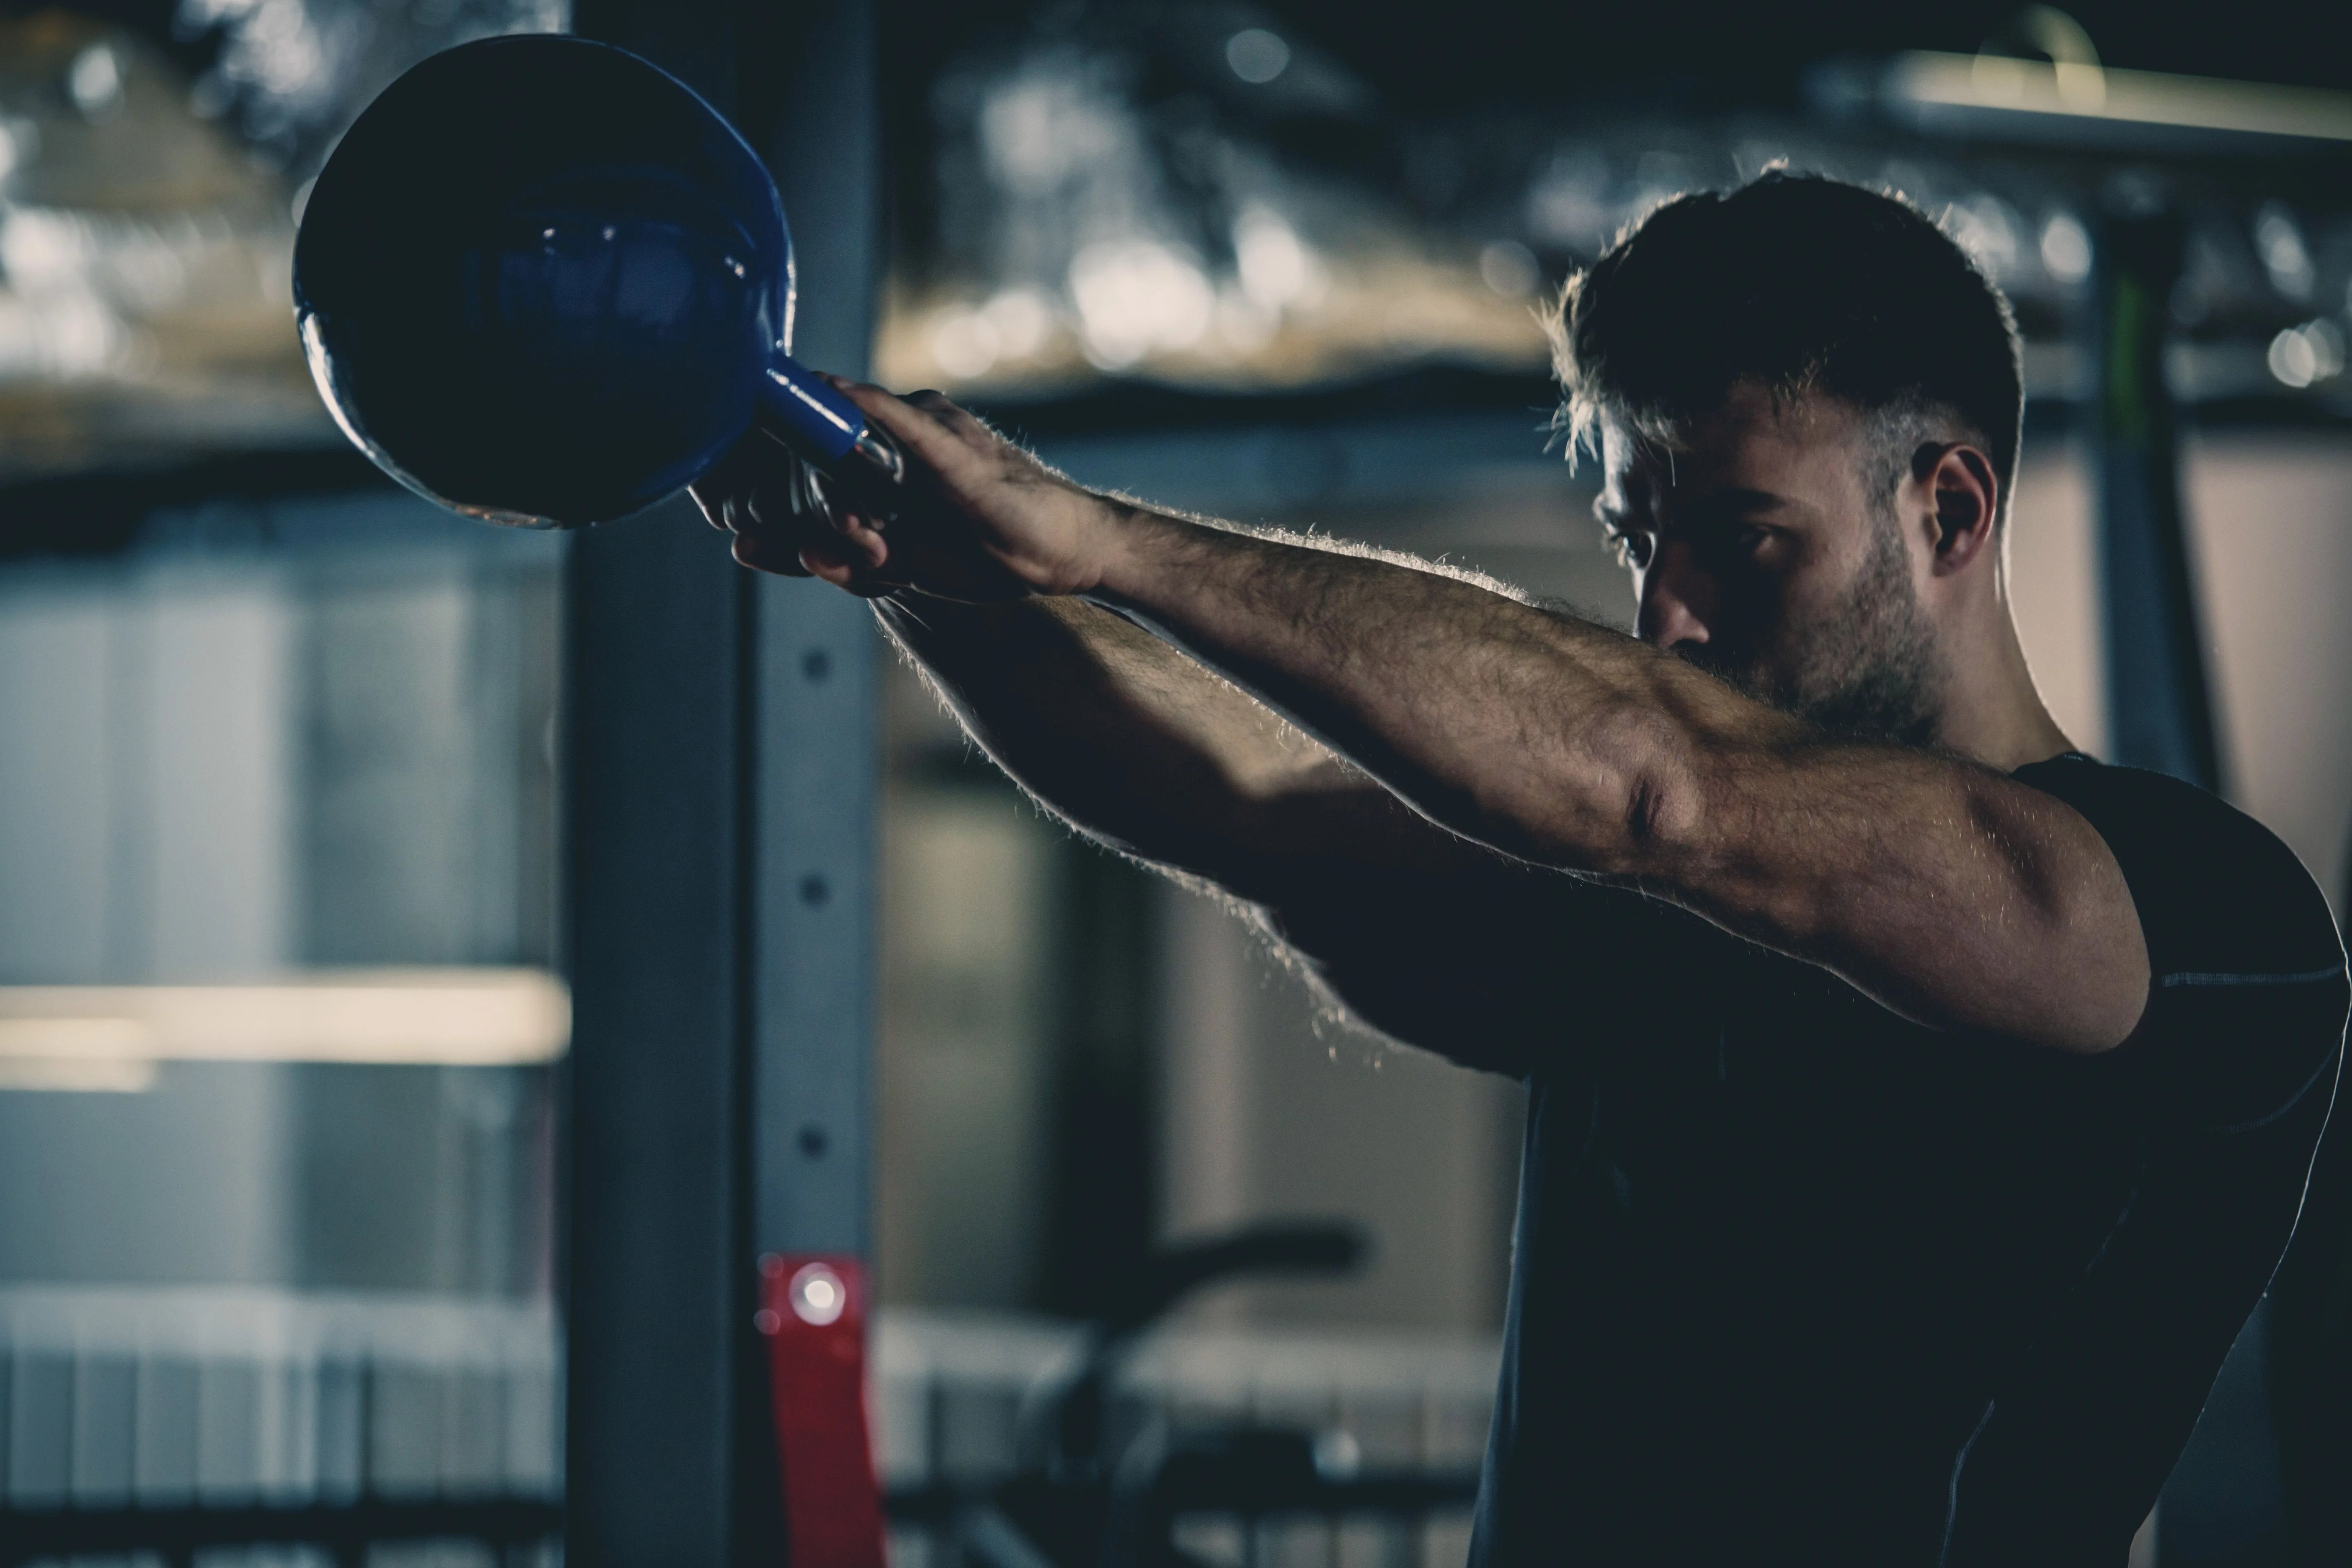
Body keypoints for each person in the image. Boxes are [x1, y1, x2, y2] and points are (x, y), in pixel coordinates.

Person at [693, 173, 2347, 1566]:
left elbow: (1668, 789)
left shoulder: (2199, 922)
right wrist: (914, 563)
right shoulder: (1664, 914)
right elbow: (1244, 805)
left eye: (1744, 540)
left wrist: (1105, 539)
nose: (1670, 616)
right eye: (1644, 538)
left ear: (1953, 508)